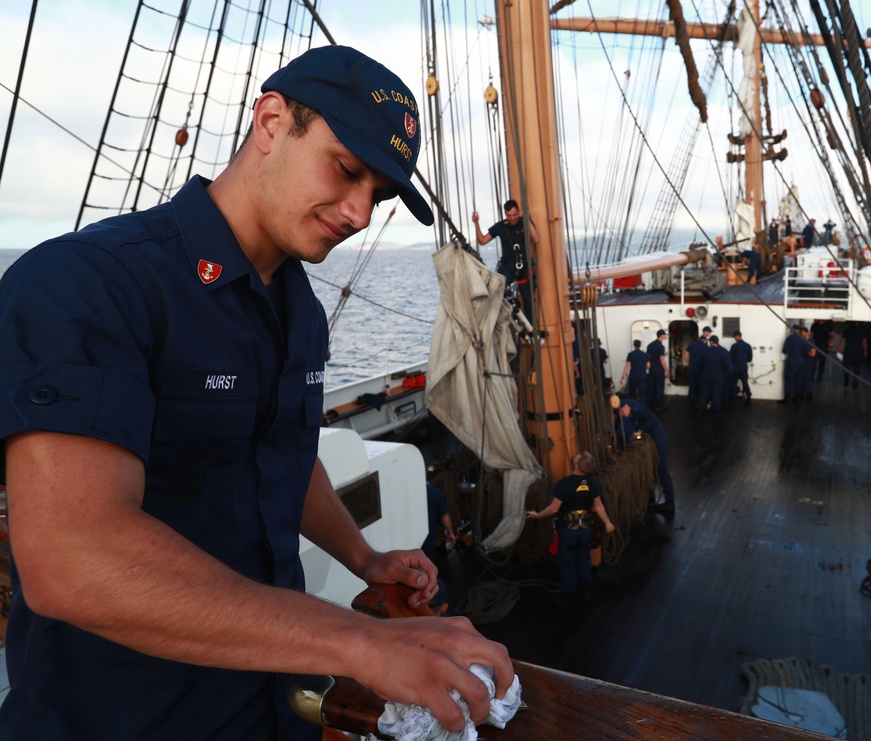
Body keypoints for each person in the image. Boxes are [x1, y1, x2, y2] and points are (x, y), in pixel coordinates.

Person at [0, 45, 512, 740]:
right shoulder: (91, 285)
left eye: (379, 194)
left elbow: (284, 454)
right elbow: (72, 556)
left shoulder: (297, 308)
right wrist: (356, 642)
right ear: (272, 120)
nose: (361, 212)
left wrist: (362, 558)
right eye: (346, 169)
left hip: (274, 707)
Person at [526, 452, 614, 600]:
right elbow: (598, 506)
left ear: (576, 465)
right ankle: (586, 587)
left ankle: (569, 592)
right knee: (584, 558)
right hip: (585, 529)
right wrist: (608, 523)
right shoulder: (593, 483)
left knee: (566, 561)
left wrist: (538, 515)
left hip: (567, 531)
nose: (575, 456)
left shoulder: (563, 484)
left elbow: (554, 509)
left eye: (578, 457)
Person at [472, 198, 541, 324]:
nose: (513, 218)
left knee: (528, 299)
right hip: (508, 267)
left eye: (515, 214)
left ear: (519, 212)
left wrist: (526, 218)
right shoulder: (501, 227)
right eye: (509, 215)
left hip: (524, 268)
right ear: (505, 214)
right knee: (495, 290)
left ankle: (531, 328)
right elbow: (482, 241)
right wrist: (476, 223)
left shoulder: (524, 223)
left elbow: (536, 239)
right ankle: (502, 318)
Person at [619, 398, 675, 517]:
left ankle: (670, 502)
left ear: (627, 407)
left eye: (622, 410)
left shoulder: (638, 411)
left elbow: (652, 419)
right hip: (654, 444)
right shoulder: (631, 416)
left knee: (662, 470)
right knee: (653, 469)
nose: (622, 413)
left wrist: (640, 431)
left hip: (659, 443)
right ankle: (650, 495)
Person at [422, 483, 457, 615]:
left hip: (408, 545)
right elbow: (445, 515)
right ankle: (431, 600)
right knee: (427, 572)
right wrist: (451, 534)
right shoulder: (435, 493)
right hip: (427, 541)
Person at [698, 335, 733, 413]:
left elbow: (699, 364)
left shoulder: (704, 351)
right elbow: (729, 368)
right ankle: (717, 412)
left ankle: (700, 412)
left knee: (703, 394)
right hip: (718, 377)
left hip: (706, 377)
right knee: (717, 395)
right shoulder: (724, 352)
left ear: (710, 342)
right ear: (717, 342)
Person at [781, 325, 810, 404]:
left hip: (791, 362)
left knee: (789, 380)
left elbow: (785, 350)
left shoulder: (790, 338)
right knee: (799, 381)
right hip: (801, 363)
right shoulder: (803, 339)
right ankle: (797, 398)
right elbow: (806, 352)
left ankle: (787, 398)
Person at [685, 326, 712, 409]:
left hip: (692, 368)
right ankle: (700, 402)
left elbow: (686, 356)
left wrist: (690, 363)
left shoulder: (691, 345)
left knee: (692, 385)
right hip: (701, 370)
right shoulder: (706, 347)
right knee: (701, 386)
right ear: (705, 341)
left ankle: (692, 402)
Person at [838, 320, 868, 389]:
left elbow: (843, 340)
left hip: (848, 351)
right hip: (858, 352)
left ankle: (846, 381)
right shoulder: (862, 331)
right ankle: (855, 382)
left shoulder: (847, 330)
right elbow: (864, 342)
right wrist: (866, 351)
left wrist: (838, 349)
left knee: (847, 367)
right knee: (856, 368)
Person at [646, 329, 668, 411]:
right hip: (659, 370)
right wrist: (666, 370)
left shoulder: (650, 345)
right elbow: (661, 359)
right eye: (664, 335)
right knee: (659, 387)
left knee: (651, 387)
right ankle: (658, 406)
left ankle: (650, 405)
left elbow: (647, 358)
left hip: (651, 370)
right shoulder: (661, 346)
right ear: (662, 336)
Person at [729, 330, 753, 404]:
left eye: (734, 337)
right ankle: (748, 397)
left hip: (735, 368)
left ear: (737, 336)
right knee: (745, 382)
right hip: (744, 368)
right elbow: (750, 359)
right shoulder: (748, 345)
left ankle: (733, 400)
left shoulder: (734, 346)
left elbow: (730, 358)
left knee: (733, 383)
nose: (734, 339)